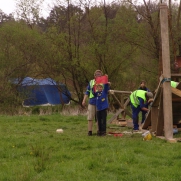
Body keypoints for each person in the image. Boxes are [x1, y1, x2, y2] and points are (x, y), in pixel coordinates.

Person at [82, 70, 103, 136]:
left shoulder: (103, 83)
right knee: (90, 117)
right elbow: (87, 92)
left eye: (99, 75)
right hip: (92, 101)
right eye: (97, 75)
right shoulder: (91, 82)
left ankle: (98, 131)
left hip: (99, 102)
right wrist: (84, 100)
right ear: (94, 76)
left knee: (98, 118)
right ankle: (90, 132)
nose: (98, 76)